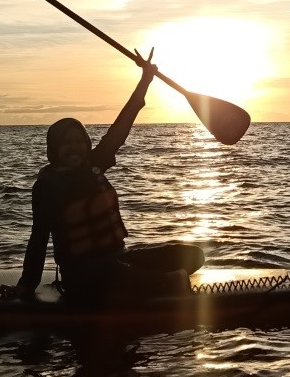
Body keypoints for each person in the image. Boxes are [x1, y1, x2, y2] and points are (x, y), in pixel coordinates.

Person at [13, 53, 204, 305]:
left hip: (119, 258)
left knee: (193, 255)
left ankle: (149, 280)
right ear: (54, 148)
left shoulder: (95, 164)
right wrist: (26, 286)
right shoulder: (48, 188)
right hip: (83, 274)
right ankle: (164, 283)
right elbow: (38, 240)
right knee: (113, 276)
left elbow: (122, 125)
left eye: (79, 142)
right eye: (66, 143)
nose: (75, 148)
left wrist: (145, 79)